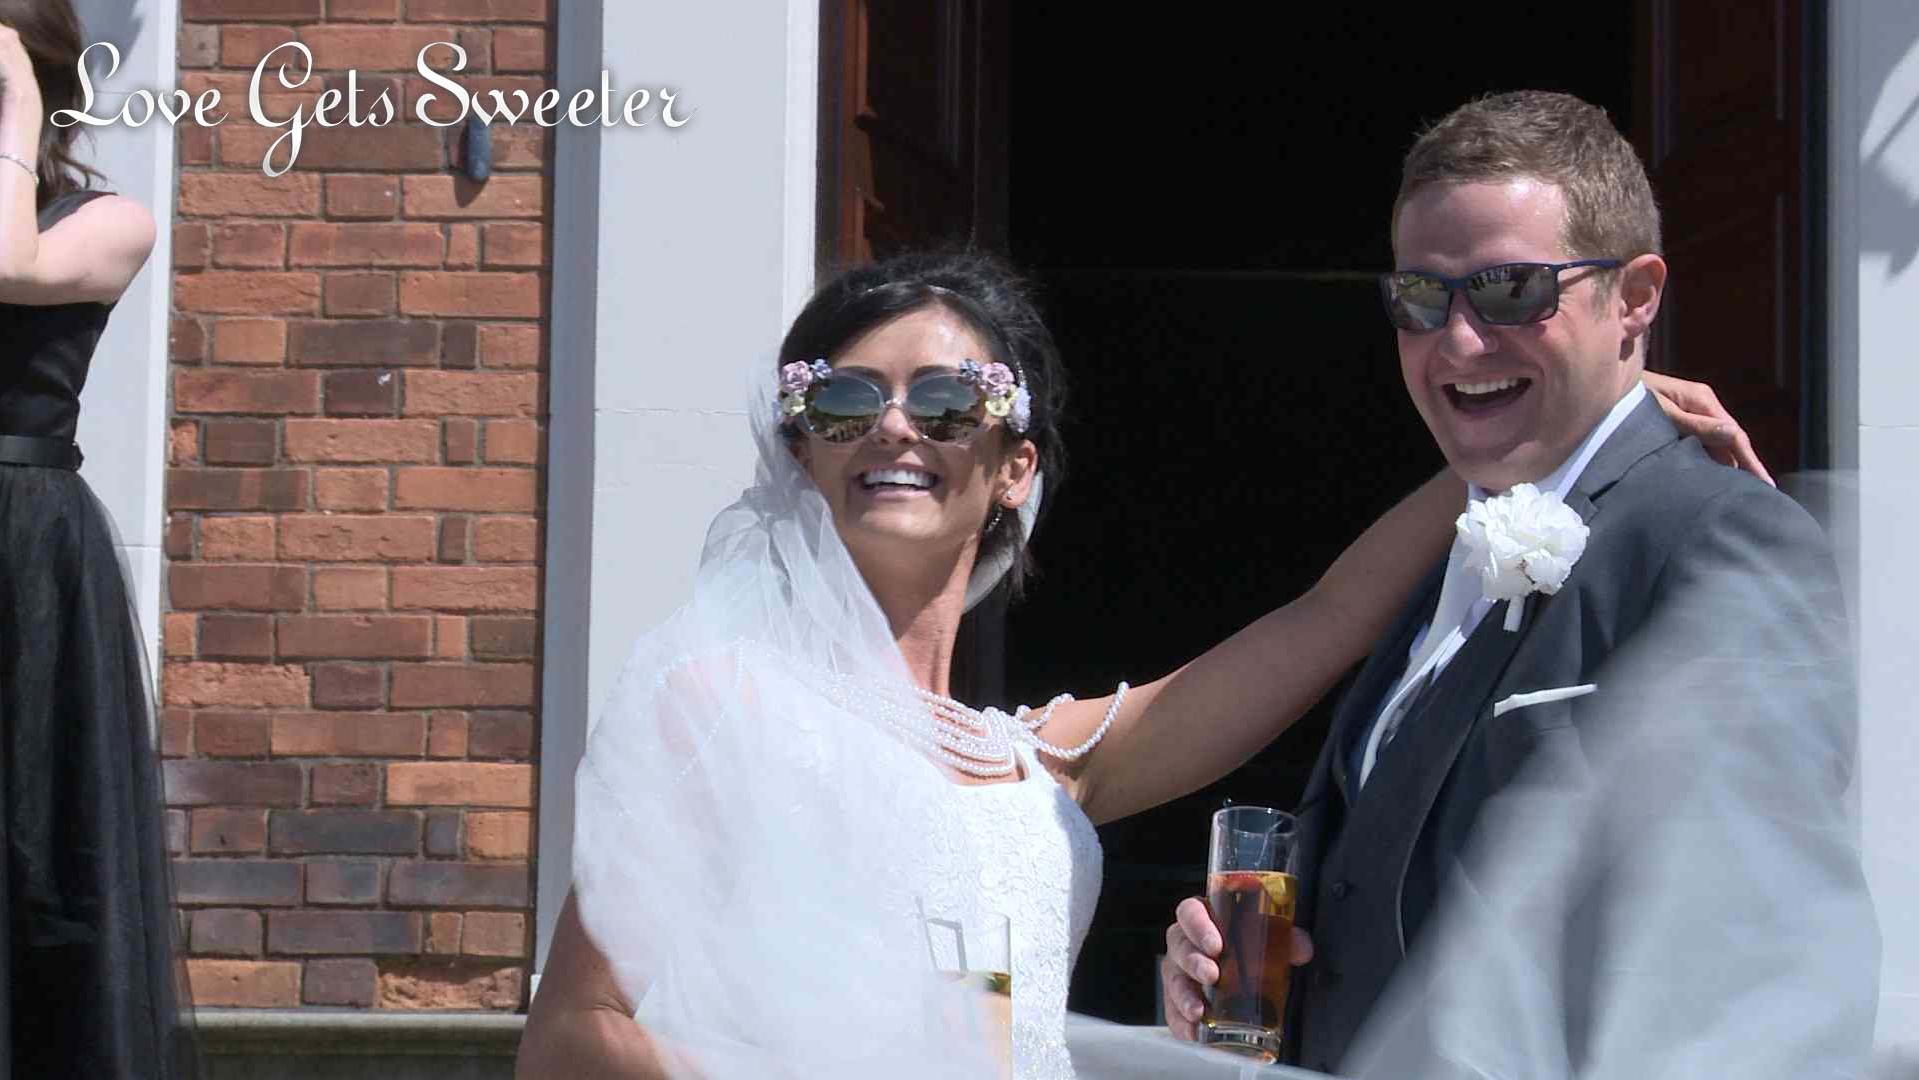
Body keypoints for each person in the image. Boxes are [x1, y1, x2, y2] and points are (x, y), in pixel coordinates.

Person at [515, 248, 1760, 1080]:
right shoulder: (722, 701)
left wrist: (1573, 429)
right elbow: (572, 1031)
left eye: (947, 398)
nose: (893, 425)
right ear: (803, 452)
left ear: (1015, 470)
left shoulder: (1032, 762)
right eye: (844, 399)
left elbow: (1324, 619)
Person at [1159, 90, 1877, 1079]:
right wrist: (1239, 984)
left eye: (1509, 292)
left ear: (1634, 297)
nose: (1457, 342)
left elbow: (1773, 970)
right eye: (1421, 299)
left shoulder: (1723, 537)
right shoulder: (1434, 569)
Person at [0, 6, 199, 1079]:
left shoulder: (109, 218)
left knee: (35, 853)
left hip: (25, 554)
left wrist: (14, 106)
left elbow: (3, 257)